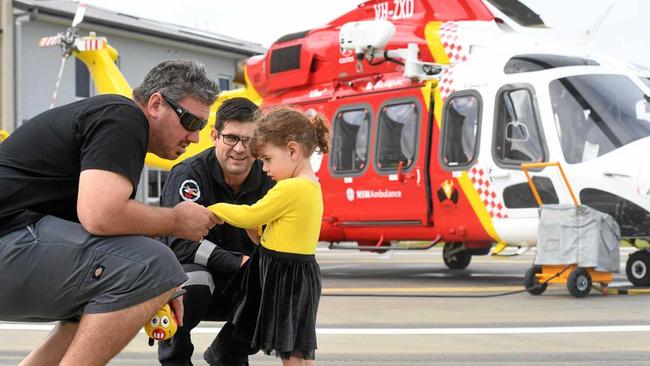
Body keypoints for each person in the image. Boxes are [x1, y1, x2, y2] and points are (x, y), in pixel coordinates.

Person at [0, 60, 220, 366]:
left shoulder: (109, 126)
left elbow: (105, 232)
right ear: (156, 103)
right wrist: (176, 223)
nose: (195, 137)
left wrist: (161, 286)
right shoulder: (124, 115)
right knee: (155, 263)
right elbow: (101, 215)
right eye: (192, 123)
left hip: (14, 245)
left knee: (101, 300)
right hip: (8, 241)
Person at [157, 97, 275, 366]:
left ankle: (229, 353)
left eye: (249, 140)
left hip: (242, 286)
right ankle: (175, 359)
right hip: (192, 282)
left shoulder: (270, 179)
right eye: (231, 138)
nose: (240, 149)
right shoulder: (189, 175)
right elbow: (179, 245)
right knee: (194, 280)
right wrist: (237, 261)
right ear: (214, 136)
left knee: (283, 283)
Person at [208, 107, 329, 366]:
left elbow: (251, 215)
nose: (263, 168)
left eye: (267, 159)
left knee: (290, 350)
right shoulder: (310, 185)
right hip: (301, 273)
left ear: (292, 151)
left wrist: (214, 209)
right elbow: (277, 228)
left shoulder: (290, 188)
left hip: (286, 275)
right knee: (298, 347)